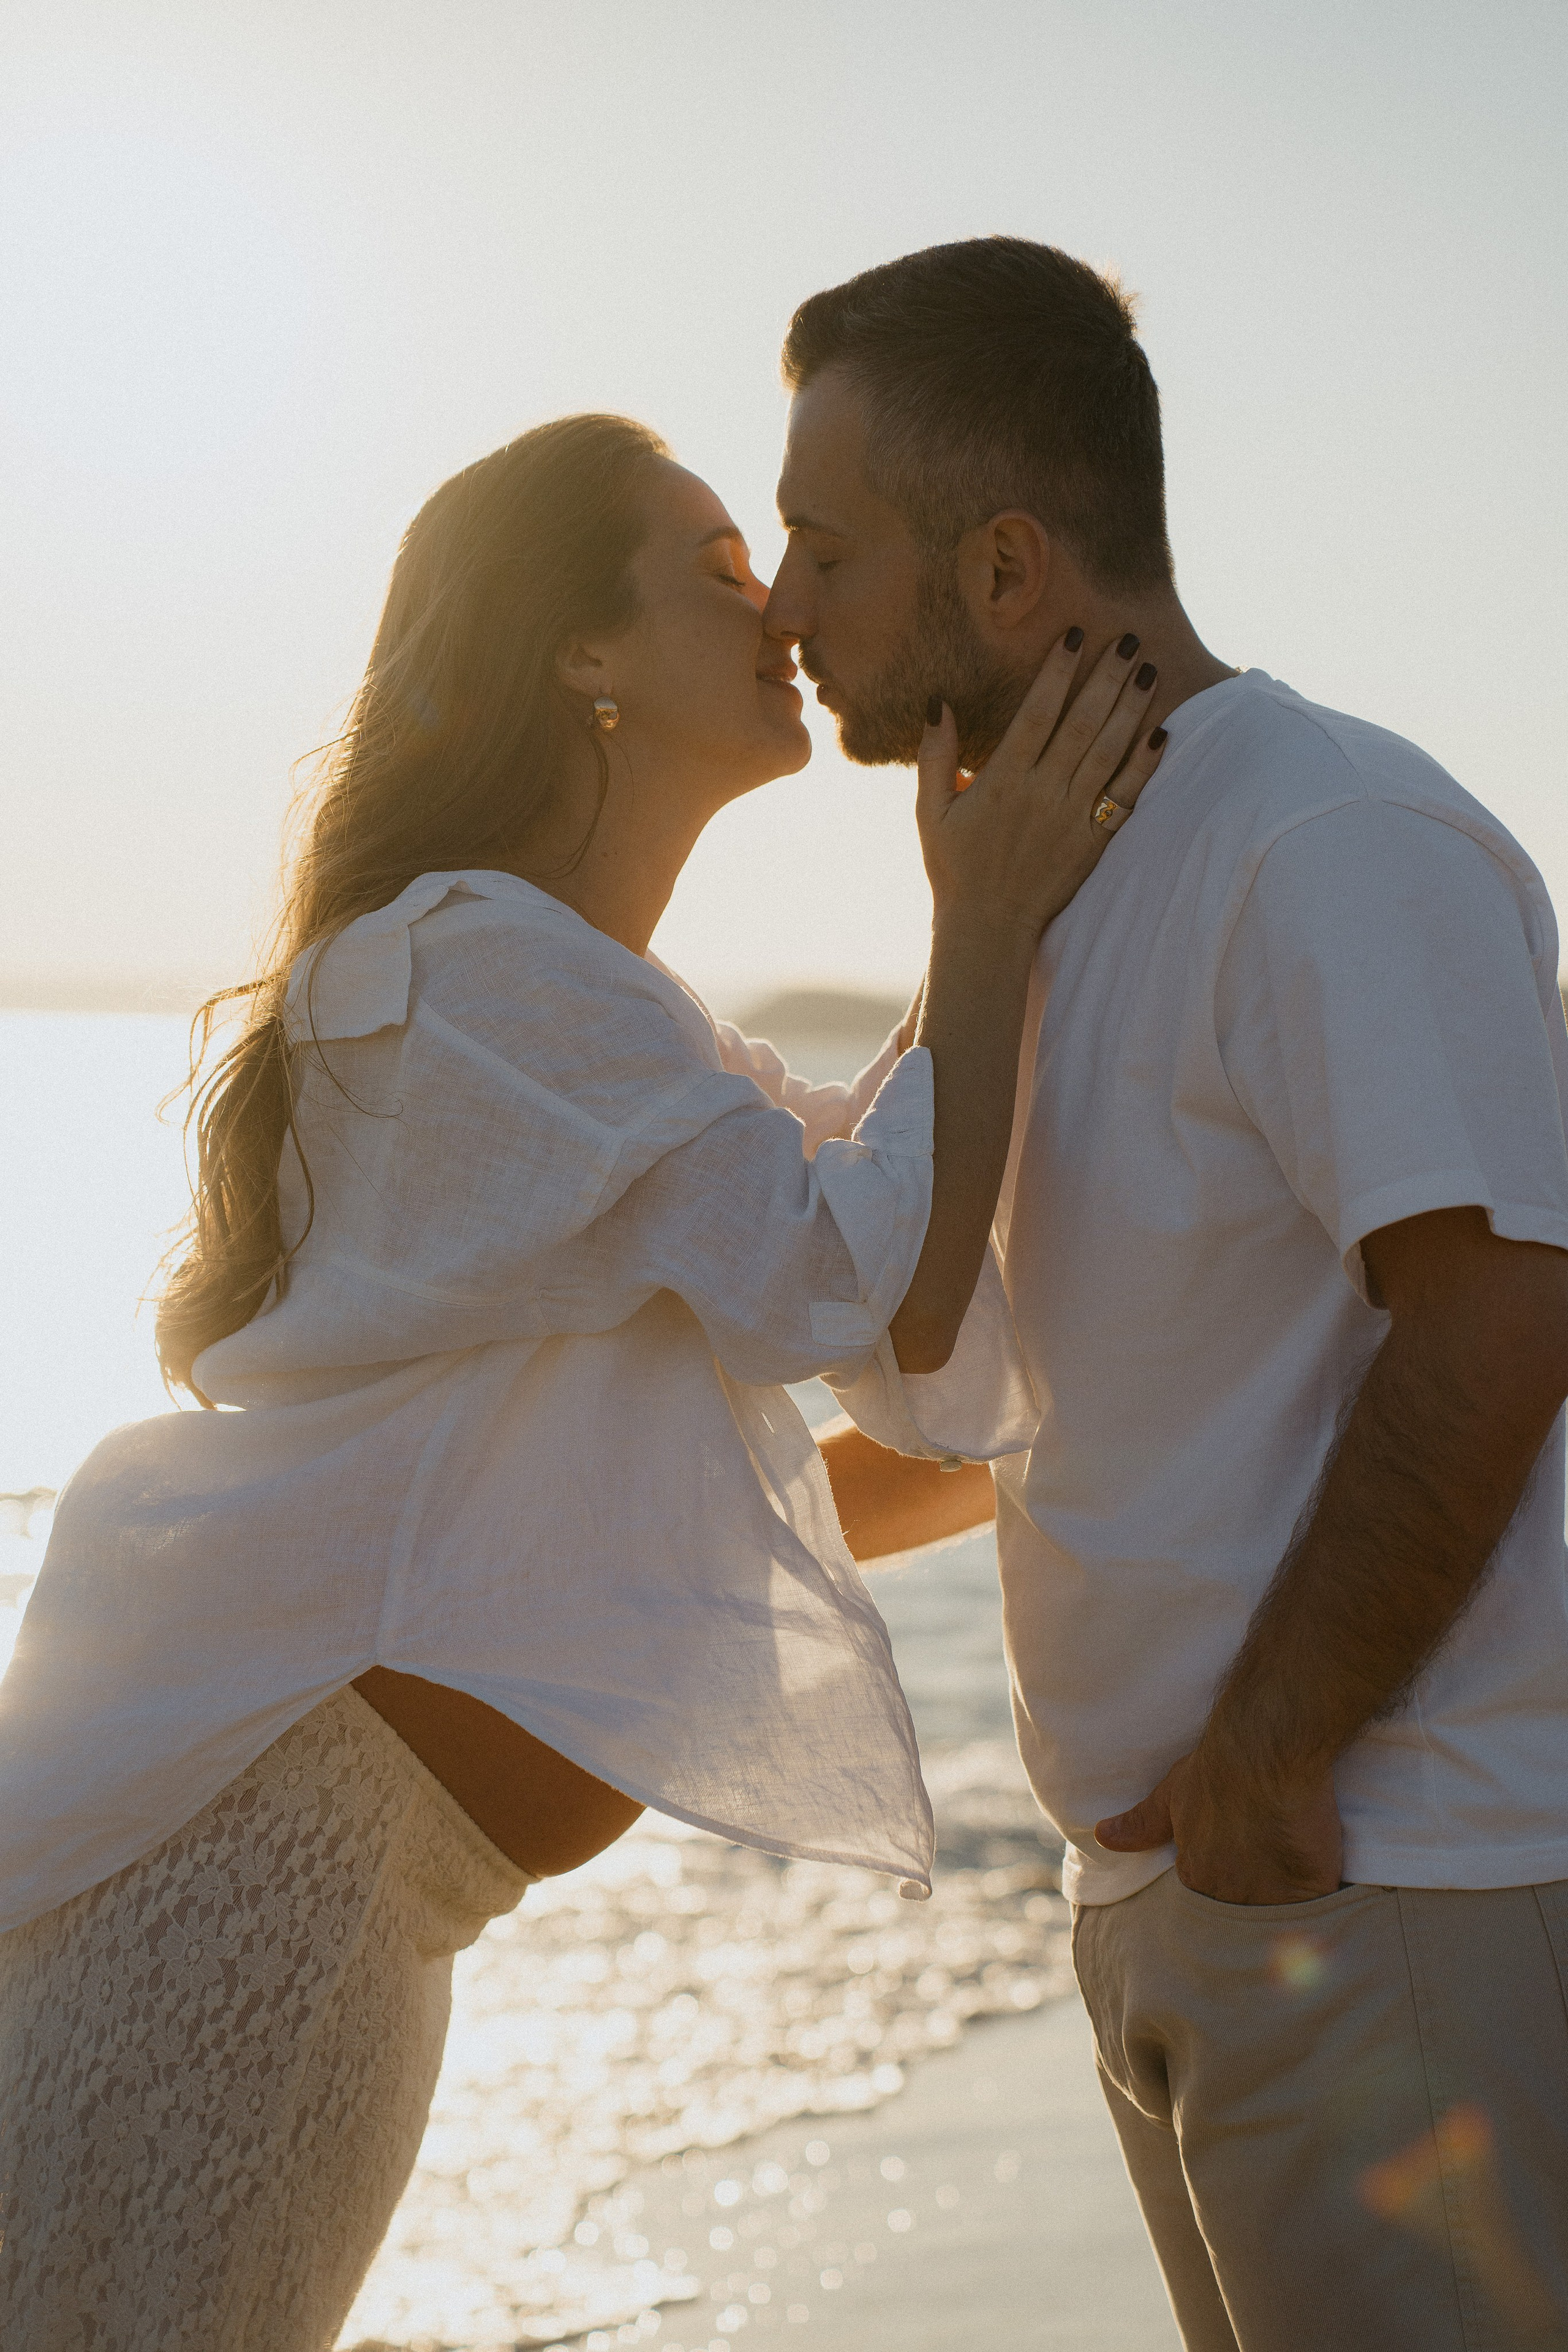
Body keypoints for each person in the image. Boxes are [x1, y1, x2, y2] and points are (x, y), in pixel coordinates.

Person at [0, 410, 1163, 2350]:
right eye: (719, 566)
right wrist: (987, 920)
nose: (781, 600)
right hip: (240, 1901)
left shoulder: (601, 1028)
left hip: (339, 1909)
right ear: (580, 651)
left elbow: (901, 1355)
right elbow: (870, 1287)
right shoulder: (470, 973)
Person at [765, 238, 1568, 2350]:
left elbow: (1498, 1318)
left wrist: (1268, 1776)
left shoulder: (1327, 841)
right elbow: (974, 1391)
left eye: (821, 545)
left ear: (1010, 570)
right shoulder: (1037, 885)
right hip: (1183, 1912)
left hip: (1378, 1884)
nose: (783, 605)